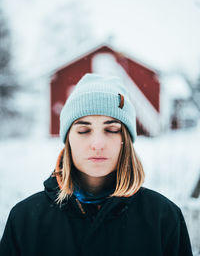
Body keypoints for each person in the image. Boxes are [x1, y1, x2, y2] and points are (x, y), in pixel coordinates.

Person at [0, 73, 193, 256]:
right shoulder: (26, 220)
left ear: (125, 140)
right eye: (84, 130)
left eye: (111, 129)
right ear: (68, 140)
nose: (98, 144)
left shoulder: (163, 218)